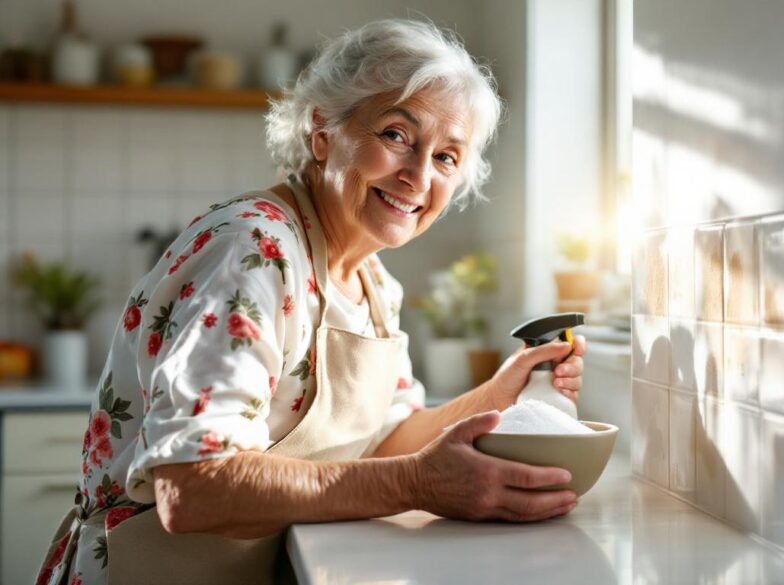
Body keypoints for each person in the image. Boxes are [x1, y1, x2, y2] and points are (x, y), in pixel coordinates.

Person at [37, 19, 587, 585]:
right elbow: (192, 488)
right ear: (323, 131)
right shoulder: (254, 252)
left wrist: (500, 392)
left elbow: (383, 442)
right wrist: (417, 484)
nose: (419, 175)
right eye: (397, 135)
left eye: (447, 157)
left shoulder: (372, 282)